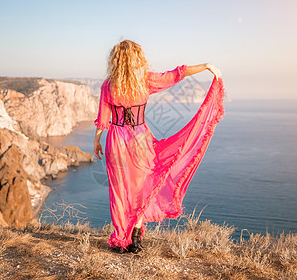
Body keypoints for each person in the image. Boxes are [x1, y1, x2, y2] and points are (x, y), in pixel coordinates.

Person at [93, 39, 225, 253]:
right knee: (140, 191)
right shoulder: (144, 81)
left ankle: (120, 240)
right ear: (138, 59)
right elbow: (176, 74)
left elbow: (103, 118)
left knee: (118, 193)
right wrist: (206, 66)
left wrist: (97, 140)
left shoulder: (108, 85)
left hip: (116, 141)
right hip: (139, 139)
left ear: (115, 60)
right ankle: (135, 237)